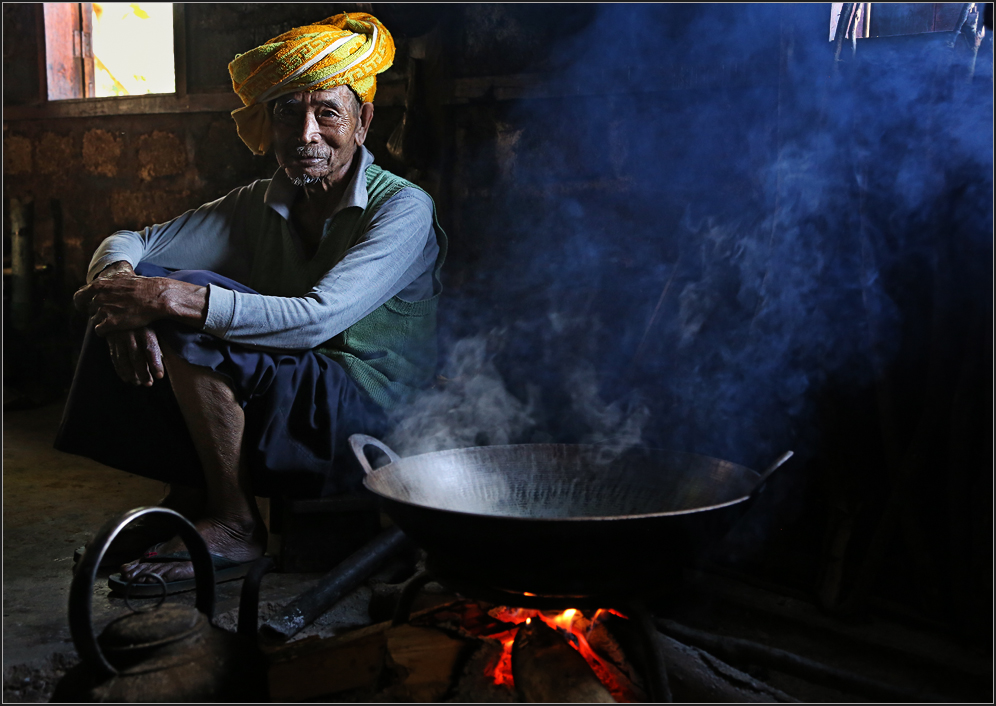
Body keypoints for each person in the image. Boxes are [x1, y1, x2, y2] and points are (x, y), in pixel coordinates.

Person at [55, 12, 446, 590]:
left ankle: (236, 523)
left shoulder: (403, 208)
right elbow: (133, 243)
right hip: (297, 388)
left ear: (363, 122)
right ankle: (190, 497)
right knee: (143, 294)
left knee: (180, 304)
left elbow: (318, 320)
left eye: (327, 112)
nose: (305, 132)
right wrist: (121, 287)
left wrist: (169, 298)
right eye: (288, 111)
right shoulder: (260, 201)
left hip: (371, 413)